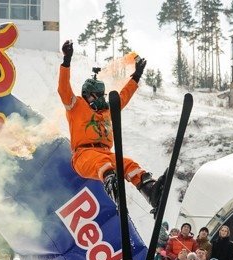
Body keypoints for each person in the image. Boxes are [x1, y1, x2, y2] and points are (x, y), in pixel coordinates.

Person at [58, 40, 164, 207]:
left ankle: (150, 190)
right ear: (87, 95)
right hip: (84, 155)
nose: (100, 99)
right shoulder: (76, 105)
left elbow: (123, 97)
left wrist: (136, 76)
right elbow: (63, 89)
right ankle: (112, 186)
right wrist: (66, 61)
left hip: (106, 152)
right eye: (96, 95)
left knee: (129, 164)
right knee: (104, 165)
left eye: (102, 95)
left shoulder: (107, 110)